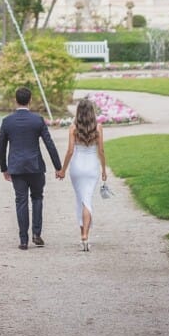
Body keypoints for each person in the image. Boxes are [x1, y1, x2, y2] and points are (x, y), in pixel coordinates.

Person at [0, 86, 63, 250]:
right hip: (35, 166)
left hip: (16, 167)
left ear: (15, 100)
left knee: (21, 201)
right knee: (37, 198)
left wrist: (4, 168)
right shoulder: (37, 120)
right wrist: (58, 166)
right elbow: (49, 144)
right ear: (30, 100)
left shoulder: (7, 121)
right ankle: (36, 233)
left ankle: (23, 240)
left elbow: (1, 147)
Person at [55, 96, 107, 251]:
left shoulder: (73, 128)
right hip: (91, 167)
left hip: (77, 167)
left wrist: (63, 170)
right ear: (91, 112)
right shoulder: (98, 127)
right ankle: (85, 235)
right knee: (87, 199)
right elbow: (101, 151)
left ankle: (82, 235)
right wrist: (104, 169)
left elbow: (70, 151)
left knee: (80, 200)